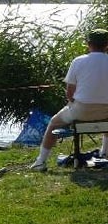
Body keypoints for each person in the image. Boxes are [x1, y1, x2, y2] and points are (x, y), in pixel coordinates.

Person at [30, 28, 108, 170]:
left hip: (81, 110)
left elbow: (70, 93)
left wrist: (73, 104)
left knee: (53, 123)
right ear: (106, 45)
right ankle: (103, 153)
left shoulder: (78, 61)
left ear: (88, 44)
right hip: (106, 111)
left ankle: (41, 162)